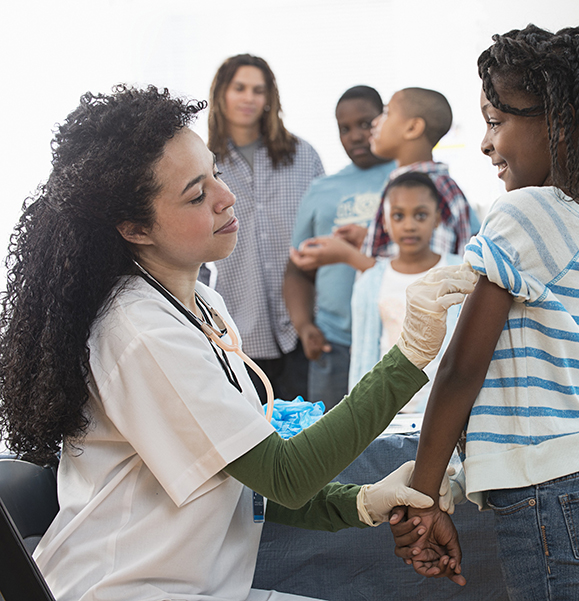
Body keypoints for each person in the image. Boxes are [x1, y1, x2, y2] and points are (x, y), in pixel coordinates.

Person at [0, 85, 477, 601]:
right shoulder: (139, 333)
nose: (227, 198)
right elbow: (285, 475)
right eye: (196, 194)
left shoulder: (203, 305)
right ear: (135, 227)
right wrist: (409, 356)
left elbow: (252, 484)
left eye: (216, 175)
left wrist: (361, 501)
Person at [391, 25, 579, 600]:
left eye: (495, 121)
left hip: (548, 485)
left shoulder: (526, 212)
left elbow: (465, 365)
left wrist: (426, 490)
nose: (486, 145)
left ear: (561, 120)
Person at [207, 53, 323, 404]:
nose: (249, 98)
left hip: (305, 328)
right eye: (239, 88)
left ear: (269, 98)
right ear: (221, 94)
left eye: (258, 90)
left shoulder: (303, 155)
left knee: (311, 437)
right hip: (235, 330)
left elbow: (325, 233)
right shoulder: (203, 161)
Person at [283, 86, 395, 410]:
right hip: (335, 347)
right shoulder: (322, 190)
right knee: (330, 453)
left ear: (385, 118)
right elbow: (297, 269)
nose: (356, 136)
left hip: (396, 339)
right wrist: (304, 326)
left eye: (365, 124)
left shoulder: (409, 178)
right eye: (344, 129)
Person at [290, 87, 478, 274]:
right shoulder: (410, 183)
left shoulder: (429, 191)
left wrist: (347, 255)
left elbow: (423, 278)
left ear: (412, 128)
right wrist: (367, 238)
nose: (375, 123)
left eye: (386, 113)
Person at [349, 172, 463, 414]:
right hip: (385, 411)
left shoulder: (458, 274)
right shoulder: (369, 283)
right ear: (385, 222)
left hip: (444, 409)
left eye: (420, 215)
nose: (409, 225)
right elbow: (361, 357)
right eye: (398, 216)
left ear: (437, 219)